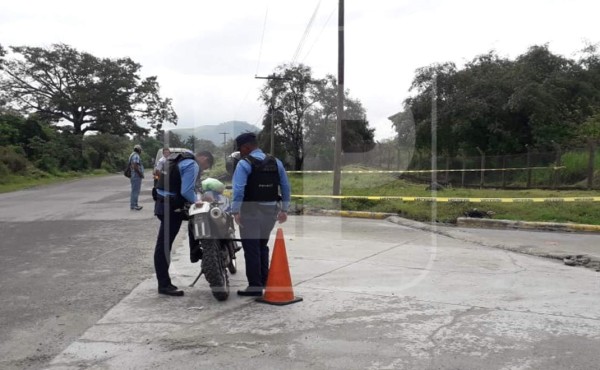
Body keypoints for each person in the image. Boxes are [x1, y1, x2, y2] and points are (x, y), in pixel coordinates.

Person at [231, 132, 291, 297]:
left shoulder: (244, 164)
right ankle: (265, 279)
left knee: (251, 248)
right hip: (270, 211)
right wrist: (284, 209)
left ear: (246, 147)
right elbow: (285, 186)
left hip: (250, 211)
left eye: (241, 149)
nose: (240, 152)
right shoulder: (275, 162)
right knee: (262, 245)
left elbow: (238, 189)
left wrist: (235, 210)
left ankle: (255, 286)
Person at [153, 149, 214, 296]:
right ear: (204, 158)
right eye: (205, 167)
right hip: (171, 207)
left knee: (192, 221)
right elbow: (186, 191)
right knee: (164, 246)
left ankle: (195, 252)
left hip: (162, 204)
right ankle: (164, 285)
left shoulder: (180, 159)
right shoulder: (192, 165)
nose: (203, 170)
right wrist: (198, 201)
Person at [129, 144, 144, 211]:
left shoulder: (132, 154)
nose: (141, 151)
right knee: (135, 191)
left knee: (134, 191)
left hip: (133, 175)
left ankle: (133, 205)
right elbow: (135, 166)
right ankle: (134, 205)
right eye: (140, 150)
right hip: (136, 176)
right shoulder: (136, 156)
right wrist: (140, 174)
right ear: (139, 150)